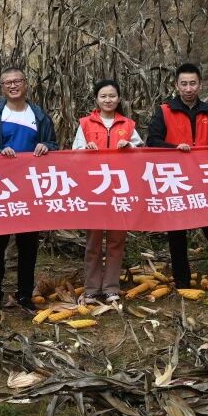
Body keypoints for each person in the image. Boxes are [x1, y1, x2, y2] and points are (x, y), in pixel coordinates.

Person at [146, 63, 208, 290]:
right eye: (184, 84)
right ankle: (182, 281)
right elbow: (153, 141)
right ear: (176, 85)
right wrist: (174, 149)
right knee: (177, 233)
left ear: (200, 85)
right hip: (176, 180)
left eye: (193, 83)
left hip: (204, 179)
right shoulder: (165, 111)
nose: (189, 88)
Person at [0, 66, 57, 313]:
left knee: (28, 245)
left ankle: (24, 294)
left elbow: (53, 144)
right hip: (1, 188)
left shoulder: (39, 115)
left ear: (25, 84)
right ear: (1, 87)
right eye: (7, 82)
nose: (13, 85)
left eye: (17, 81)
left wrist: (46, 146)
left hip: (30, 188)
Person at [72, 80, 143, 305]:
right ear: (96, 99)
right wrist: (86, 150)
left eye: (112, 96)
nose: (108, 100)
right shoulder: (85, 124)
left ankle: (111, 287)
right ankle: (92, 288)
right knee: (93, 241)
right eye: (103, 96)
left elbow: (141, 152)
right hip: (94, 189)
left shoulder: (128, 124)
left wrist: (129, 147)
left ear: (119, 99)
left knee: (116, 240)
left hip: (120, 190)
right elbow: (74, 153)